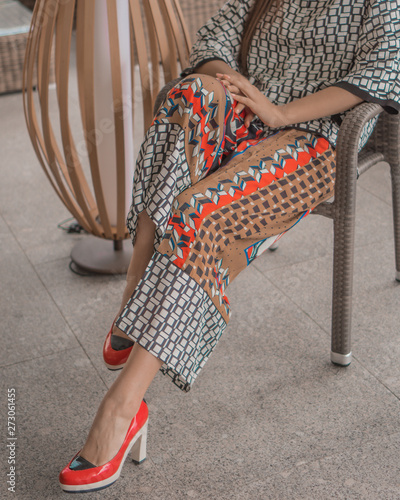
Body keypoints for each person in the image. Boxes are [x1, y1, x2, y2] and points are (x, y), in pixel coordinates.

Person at [59, 0, 400, 492]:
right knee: (186, 96)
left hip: (311, 137)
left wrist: (280, 112)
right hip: (244, 109)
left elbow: (386, 67)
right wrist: (234, 86)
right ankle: (136, 296)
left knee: (199, 213)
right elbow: (215, 39)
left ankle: (122, 409)